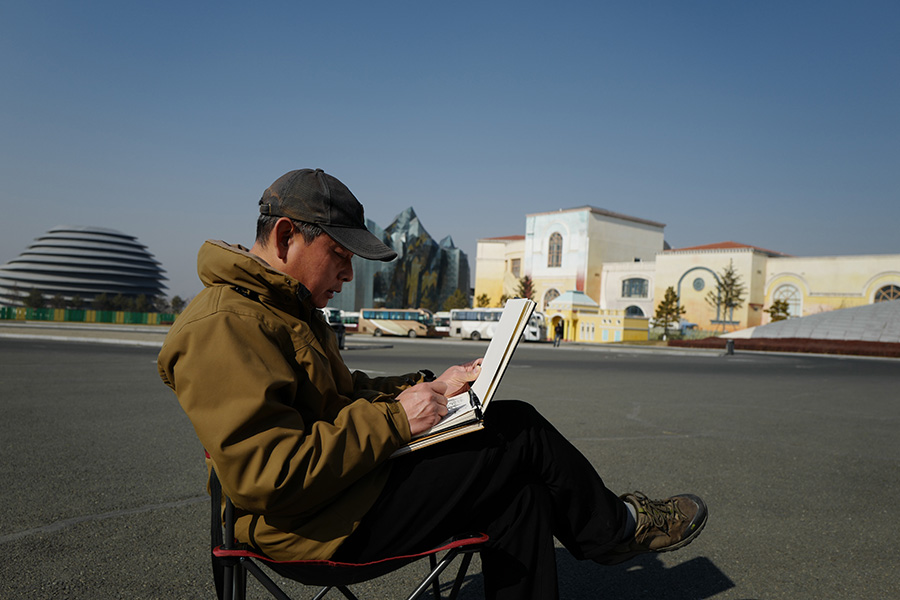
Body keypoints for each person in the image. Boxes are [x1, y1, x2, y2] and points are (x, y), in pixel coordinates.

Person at [157, 168, 708, 600]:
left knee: (520, 493)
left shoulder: (278, 309)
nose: (348, 275)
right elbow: (266, 477)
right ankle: (616, 530)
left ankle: (607, 530)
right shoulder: (225, 326)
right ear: (285, 237)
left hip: (341, 494)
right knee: (516, 430)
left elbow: (340, 395)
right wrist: (397, 420)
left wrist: (432, 386)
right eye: (341, 256)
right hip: (311, 528)